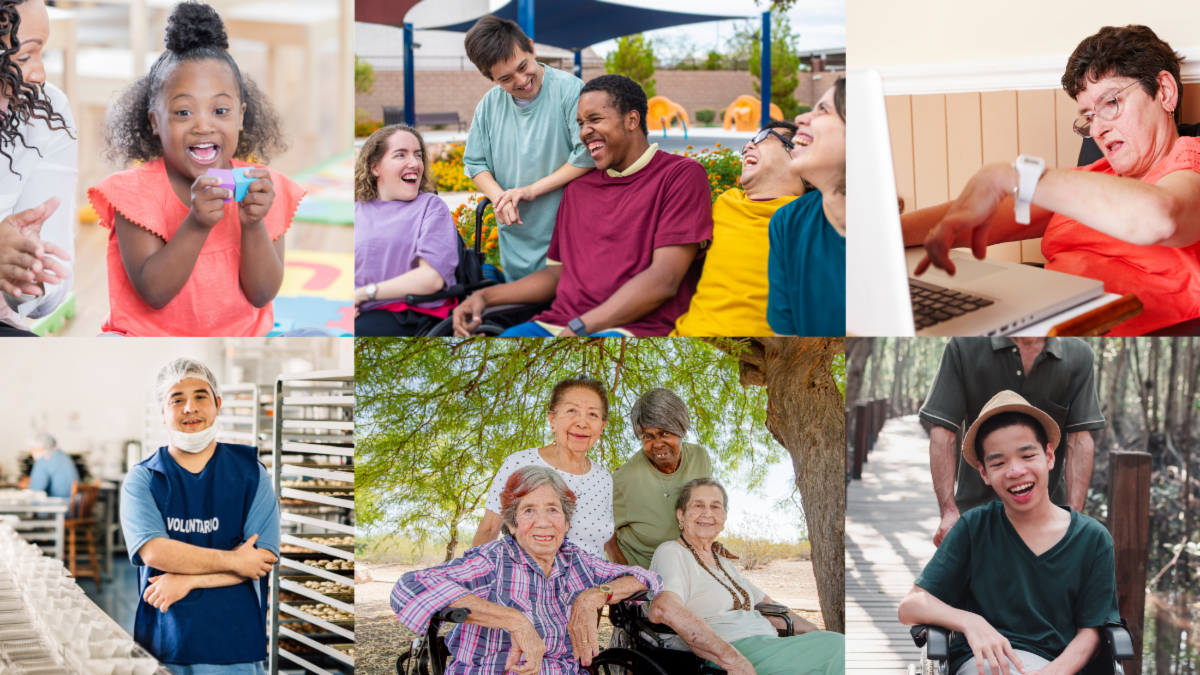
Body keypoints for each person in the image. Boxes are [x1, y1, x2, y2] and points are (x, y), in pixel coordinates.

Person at [903, 25, 1200, 336]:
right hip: (1036, 327)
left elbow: (1162, 218)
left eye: (1110, 104)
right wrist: (886, 233)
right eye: (1088, 116)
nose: (1097, 130)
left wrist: (1016, 177)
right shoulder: (1092, 177)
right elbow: (980, 216)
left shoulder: (1191, 164)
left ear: (1164, 92)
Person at [87, 1, 305, 336]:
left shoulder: (261, 186)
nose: (203, 125)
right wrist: (196, 224)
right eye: (183, 112)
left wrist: (253, 225)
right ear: (155, 121)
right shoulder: (134, 194)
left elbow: (262, 295)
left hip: (240, 337)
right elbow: (154, 293)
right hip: (147, 339)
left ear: (241, 116)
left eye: (220, 110)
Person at [453, 74, 713, 337]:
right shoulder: (578, 189)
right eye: (580, 123)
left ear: (632, 120)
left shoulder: (681, 175)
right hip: (557, 324)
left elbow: (664, 280)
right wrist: (484, 297)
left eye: (595, 119)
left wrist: (581, 328)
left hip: (631, 331)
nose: (584, 132)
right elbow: (556, 277)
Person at [898, 392, 1120, 675]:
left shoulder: (1093, 539)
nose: (1015, 471)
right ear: (984, 473)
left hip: (1057, 665)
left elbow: (1091, 635)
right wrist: (970, 621)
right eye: (998, 463)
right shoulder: (973, 528)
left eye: (1027, 456)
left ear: (1050, 456)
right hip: (982, 664)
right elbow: (910, 606)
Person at [392, 466, 662, 674]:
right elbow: (410, 585)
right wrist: (514, 620)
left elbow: (647, 578)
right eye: (529, 510)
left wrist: (595, 595)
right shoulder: (494, 561)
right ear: (511, 524)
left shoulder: (576, 561)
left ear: (567, 523)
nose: (543, 523)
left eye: (553, 510)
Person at [119, 358, 281, 673]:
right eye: (176, 400)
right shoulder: (144, 479)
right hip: (168, 638)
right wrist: (236, 560)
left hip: (233, 643)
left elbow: (261, 560)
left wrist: (188, 581)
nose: (190, 408)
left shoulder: (251, 474)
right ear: (162, 414)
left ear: (217, 404)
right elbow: (156, 551)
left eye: (200, 396)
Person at [919, 338, 1105, 547]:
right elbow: (943, 430)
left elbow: (1080, 439)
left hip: (1051, 519)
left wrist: (1075, 520)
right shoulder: (965, 345)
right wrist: (948, 512)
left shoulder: (1078, 354)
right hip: (974, 517)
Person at [646, 478, 844, 675]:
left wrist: (816, 634)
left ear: (724, 517)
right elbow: (665, 608)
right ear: (681, 515)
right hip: (728, 652)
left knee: (837, 644)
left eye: (716, 507)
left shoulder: (723, 561)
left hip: (767, 644)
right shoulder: (671, 552)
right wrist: (733, 661)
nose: (707, 514)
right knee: (841, 650)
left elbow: (768, 605)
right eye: (698, 505)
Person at [462, 15, 594, 283]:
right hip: (516, 233)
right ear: (491, 78)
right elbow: (475, 163)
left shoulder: (570, 90)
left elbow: (585, 155)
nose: (522, 80)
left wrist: (530, 191)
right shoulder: (489, 105)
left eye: (523, 66)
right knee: (520, 307)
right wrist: (500, 199)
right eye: (506, 78)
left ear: (532, 48)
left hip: (567, 231)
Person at [672, 121, 807, 336]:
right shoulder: (725, 201)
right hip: (687, 334)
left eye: (764, 138)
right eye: (750, 142)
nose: (749, 146)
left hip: (756, 348)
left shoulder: (812, 219)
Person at [473, 376, 615, 559]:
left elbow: (601, 543)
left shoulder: (604, 479)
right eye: (572, 411)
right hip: (530, 583)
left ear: (602, 426)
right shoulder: (520, 463)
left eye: (593, 415)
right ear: (553, 419)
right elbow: (489, 530)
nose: (582, 423)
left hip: (593, 583)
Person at [0, 0, 76, 337]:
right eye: (25, 56)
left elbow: (45, 298)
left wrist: (30, 270)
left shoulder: (45, 112)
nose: (39, 74)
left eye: (40, 52)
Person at [353, 124, 458, 336]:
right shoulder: (356, 208)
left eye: (418, 155)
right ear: (375, 167)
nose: (414, 163)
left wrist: (362, 295)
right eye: (401, 155)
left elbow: (432, 278)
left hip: (407, 314)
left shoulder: (431, 207)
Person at [768, 78, 846, 337]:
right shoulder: (786, 222)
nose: (801, 118)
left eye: (823, 110)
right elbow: (786, 338)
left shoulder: (884, 230)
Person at [611, 388, 715, 568]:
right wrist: (623, 568)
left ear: (681, 427)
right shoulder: (625, 478)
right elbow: (603, 526)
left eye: (665, 432)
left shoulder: (700, 457)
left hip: (687, 563)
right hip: (643, 569)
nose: (658, 444)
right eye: (648, 436)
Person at [20, 430, 79, 500]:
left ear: (42, 447)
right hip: (74, 507)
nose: (31, 452)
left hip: (57, 508)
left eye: (32, 449)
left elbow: (35, 491)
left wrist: (28, 484)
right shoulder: (64, 456)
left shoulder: (43, 461)